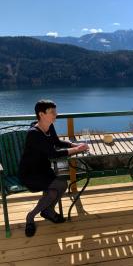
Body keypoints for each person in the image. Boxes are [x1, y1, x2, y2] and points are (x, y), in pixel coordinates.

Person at [19, 100, 89, 237]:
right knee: (53, 191)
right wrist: (76, 150)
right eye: (52, 112)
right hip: (30, 173)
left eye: (55, 111)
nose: (56, 114)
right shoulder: (34, 133)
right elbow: (53, 154)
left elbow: (57, 142)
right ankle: (30, 217)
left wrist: (73, 144)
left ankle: (48, 211)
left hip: (43, 170)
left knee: (62, 185)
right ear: (41, 114)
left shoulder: (49, 126)